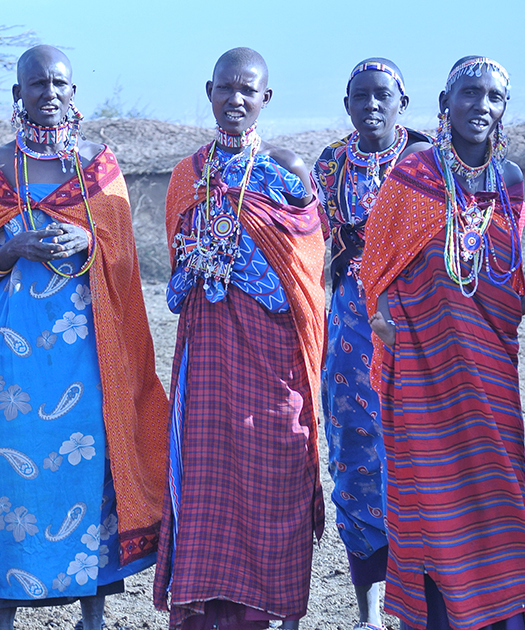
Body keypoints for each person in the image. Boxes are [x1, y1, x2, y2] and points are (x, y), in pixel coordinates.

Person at [0, 44, 170, 630]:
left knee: (88, 470)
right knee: (7, 480)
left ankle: (93, 613)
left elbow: (126, 260)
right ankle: (5, 609)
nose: (48, 93)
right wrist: (13, 248)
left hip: (86, 350)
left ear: (73, 93)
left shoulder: (99, 166)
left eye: (59, 83)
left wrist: (91, 242)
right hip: (7, 359)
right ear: (18, 94)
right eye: (36, 84)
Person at [359, 56, 525, 630]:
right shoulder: (412, 175)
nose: (481, 106)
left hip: (492, 371)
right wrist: (389, 319)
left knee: (497, 499)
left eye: (493, 97)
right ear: (445, 105)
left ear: (503, 110)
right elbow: (377, 270)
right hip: (422, 368)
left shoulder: (511, 180)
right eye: (469, 94)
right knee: (435, 505)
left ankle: (502, 617)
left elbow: (505, 279)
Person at [153, 47, 325, 630]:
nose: (236, 99)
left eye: (248, 90)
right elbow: (175, 278)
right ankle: (203, 611)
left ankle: (274, 613)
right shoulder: (187, 175)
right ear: (209, 91)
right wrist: (202, 264)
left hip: (272, 355)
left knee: (278, 467)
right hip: (205, 355)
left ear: (265, 99)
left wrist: (241, 271)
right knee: (205, 482)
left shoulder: (288, 173)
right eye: (226, 88)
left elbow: (306, 276)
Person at [313, 58, 430, 630]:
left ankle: (425, 600)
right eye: (360, 96)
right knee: (356, 458)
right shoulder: (330, 164)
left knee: (416, 452)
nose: (372, 105)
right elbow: (314, 244)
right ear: (347, 103)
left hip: (416, 323)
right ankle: (367, 611)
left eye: (383, 95)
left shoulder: (430, 158)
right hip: (349, 329)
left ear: (402, 101)